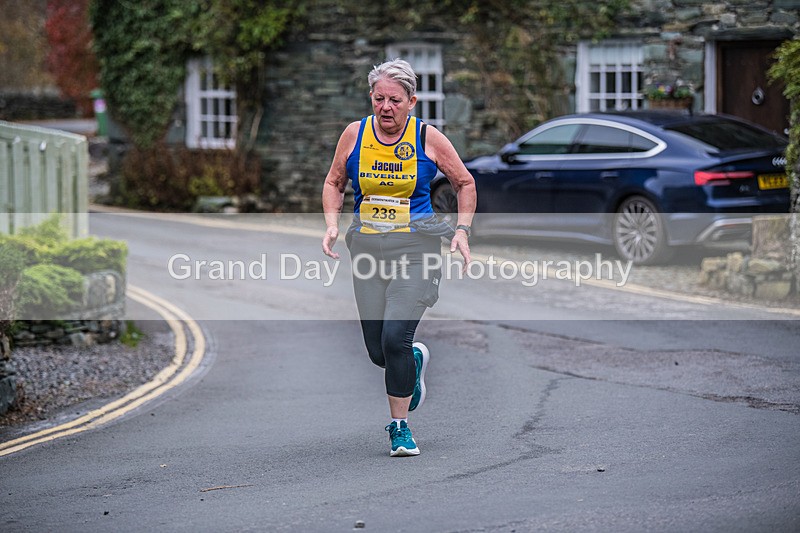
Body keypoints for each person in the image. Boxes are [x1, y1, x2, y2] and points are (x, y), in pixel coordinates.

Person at [322, 58, 476, 457]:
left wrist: (461, 231)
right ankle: (414, 361)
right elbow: (335, 181)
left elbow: (464, 182)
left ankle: (399, 427)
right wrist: (332, 225)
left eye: (394, 99)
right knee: (379, 351)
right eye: (378, 98)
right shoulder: (355, 134)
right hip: (369, 250)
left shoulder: (427, 137)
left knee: (395, 338)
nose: (385, 107)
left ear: (411, 101)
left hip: (417, 248)